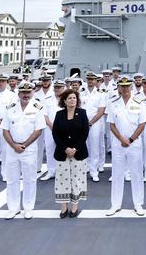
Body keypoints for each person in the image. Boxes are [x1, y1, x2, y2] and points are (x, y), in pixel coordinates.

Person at [1, 81, 46, 219]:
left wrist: (24, 145)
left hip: (29, 148)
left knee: (29, 179)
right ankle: (13, 208)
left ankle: (28, 207)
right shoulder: (10, 108)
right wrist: (14, 145)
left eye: (28, 92)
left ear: (32, 93)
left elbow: (38, 131)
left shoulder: (38, 108)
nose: (25, 95)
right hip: (12, 148)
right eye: (23, 92)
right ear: (18, 93)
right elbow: (5, 130)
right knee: (12, 179)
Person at [106, 77, 146, 216]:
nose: (124, 89)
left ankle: (138, 204)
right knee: (117, 174)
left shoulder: (139, 102)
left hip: (134, 143)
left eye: (127, 86)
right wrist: (121, 139)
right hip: (118, 144)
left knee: (136, 174)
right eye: (122, 86)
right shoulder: (113, 103)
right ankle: (115, 204)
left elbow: (142, 124)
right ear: (119, 87)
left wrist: (130, 139)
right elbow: (111, 124)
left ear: (131, 87)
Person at [52, 88, 90, 218]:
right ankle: (63, 208)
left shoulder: (82, 113)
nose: (72, 100)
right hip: (62, 154)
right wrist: (65, 148)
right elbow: (55, 133)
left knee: (76, 179)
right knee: (62, 180)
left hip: (78, 153)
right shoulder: (59, 114)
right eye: (70, 98)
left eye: (74, 98)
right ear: (64, 100)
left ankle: (74, 208)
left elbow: (85, 133)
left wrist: (74, 149)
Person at [81, 73, 107, 182]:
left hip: (95, 122)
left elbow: (101, 111)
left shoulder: (100, 94)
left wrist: (91, 122)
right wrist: (85, 121)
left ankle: (94, 171)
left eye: (93, 79)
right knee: (84, 145)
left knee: (95, 146)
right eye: (89, 79)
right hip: (83, 122)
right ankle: (86, 166)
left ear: (96, 81)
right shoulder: (81, 93)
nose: (90, 81)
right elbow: (78, 107)